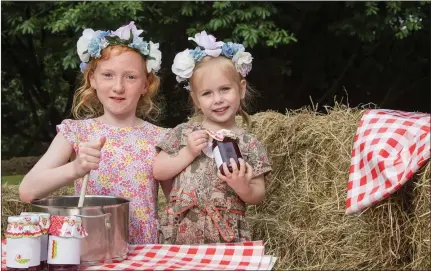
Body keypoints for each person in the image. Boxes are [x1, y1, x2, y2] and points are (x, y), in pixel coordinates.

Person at [19, 21, 170, 245]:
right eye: (108, 75)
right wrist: (75, 168)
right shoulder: (76, 132)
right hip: (91, 247)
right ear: (92, 79)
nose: (118, 87)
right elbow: (27, 191)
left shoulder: (161, 138)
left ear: (145, 85)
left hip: (143, 249)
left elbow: (177, 202)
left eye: (130, 77)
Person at [153, 31, 272, 244]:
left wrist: (241, 186)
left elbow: (258, 194)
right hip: (182, 229)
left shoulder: (249, 143)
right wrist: (187, 152)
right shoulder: (183, 132)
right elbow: (158, 170)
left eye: (225, 89)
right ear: (196, 99)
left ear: (241, 89)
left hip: (225, 231)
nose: (218, 100)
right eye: (207, 93)